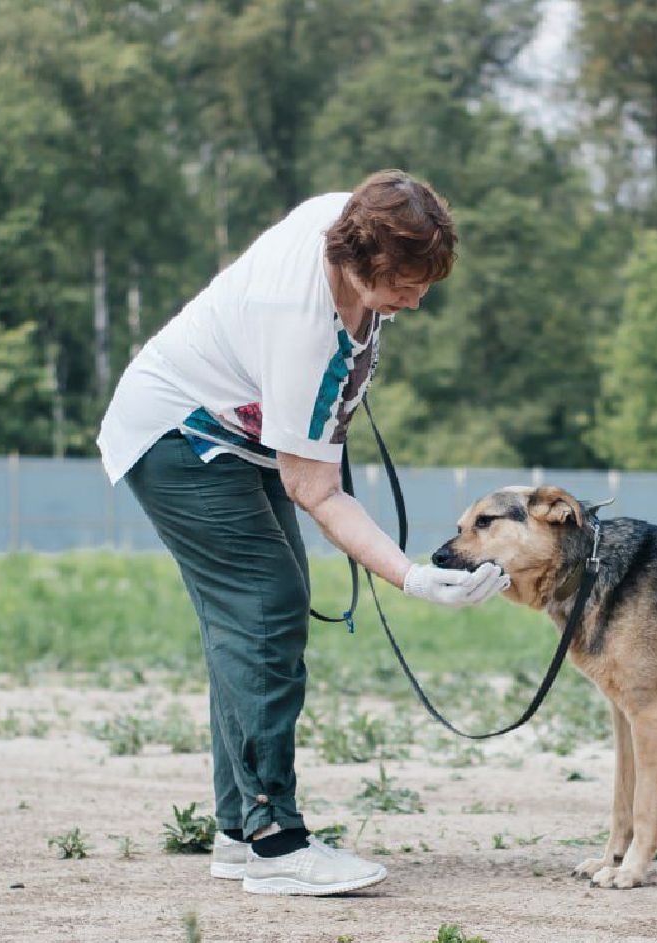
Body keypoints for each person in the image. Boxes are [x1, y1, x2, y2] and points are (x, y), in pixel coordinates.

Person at [97, 170, 508, 896]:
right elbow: (314, 486)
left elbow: (383, 199)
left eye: (423, 284)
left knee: (253, 617)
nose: (413, 303)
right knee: (264, 608)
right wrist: (412, 577)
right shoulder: (298, 322)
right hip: (179, 437)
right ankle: (275, 841)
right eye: (401, 287)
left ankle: (238, 832)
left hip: (234, 434)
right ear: (353, 262)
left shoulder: (345, 221)